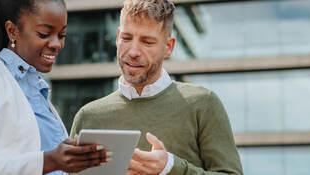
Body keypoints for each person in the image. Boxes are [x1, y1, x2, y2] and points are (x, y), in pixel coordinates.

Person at [70, 0, 243, 174]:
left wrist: (170, 167)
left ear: (168, 47)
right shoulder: (88, 117)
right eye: (127, 38)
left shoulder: (203, 103)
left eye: (147, 42)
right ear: (117, 37)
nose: (133, 52)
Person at [0, 0, 110, 174]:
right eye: (44, 34)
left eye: (62, 35)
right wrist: (49, 161)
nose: (56, 44)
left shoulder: (39, 92)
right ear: (13, 31)